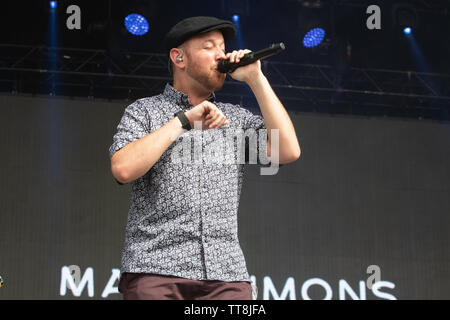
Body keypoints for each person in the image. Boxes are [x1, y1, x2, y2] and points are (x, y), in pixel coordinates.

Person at [109, 16, 301, 300]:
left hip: (227, 275)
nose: (221, 55)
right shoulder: (145, 112)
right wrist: (182, 121)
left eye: (223, 47)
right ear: (179, 58)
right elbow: (122, 169)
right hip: (156, 268)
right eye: (209, 46)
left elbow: (287, 150)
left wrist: (256, 79)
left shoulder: (234, 118)